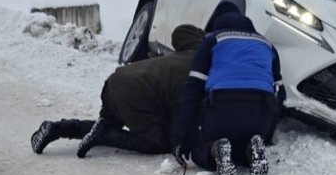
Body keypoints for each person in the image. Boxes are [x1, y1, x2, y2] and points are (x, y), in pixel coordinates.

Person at [30, 24, 205, 157]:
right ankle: (104, 135)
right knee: (158, 142)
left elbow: (181, 32)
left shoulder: (186, 54)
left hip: (116, 80)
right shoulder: (199, 72)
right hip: (136, 94)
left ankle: (57, 128)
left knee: (105, 124)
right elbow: (181, 111)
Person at [172, 12, 285, 175]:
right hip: (261, 108)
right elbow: (280, 93)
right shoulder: (267, 45)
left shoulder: (212, 40)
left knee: (199, 149)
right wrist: (267, 132)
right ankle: (252, 146)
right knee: (244, 140)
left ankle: (216, 148)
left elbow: (193, 89)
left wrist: (183, 137)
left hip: (223, 106)